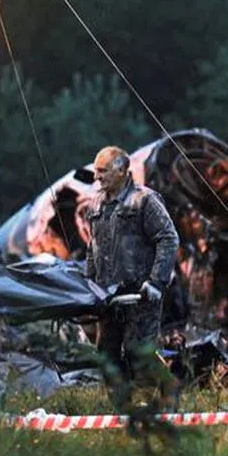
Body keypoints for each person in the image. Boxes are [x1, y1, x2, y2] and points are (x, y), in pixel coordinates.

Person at [84, 146, 179, 401]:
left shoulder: (145, 200)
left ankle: (170, 393)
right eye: (96, 171)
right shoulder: (95, 204)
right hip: (108, 295)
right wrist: (87, 286)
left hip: (141, 294)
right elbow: (91, 248)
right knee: (107, 355)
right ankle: (123, 411)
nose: (97, 177)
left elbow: (168, 238)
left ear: (122, 171)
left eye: (102, 171)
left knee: (139, 353)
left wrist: (157, 281)